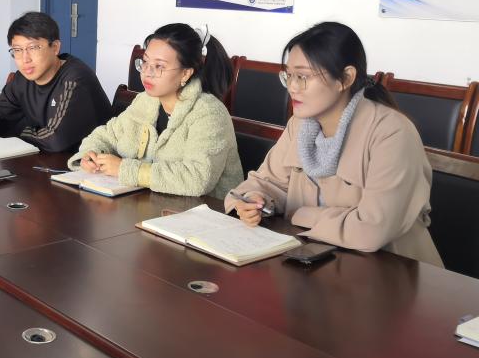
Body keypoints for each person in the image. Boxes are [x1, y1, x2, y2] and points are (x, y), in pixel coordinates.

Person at [225, 21, 442, 265]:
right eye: (289, 76)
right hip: (320, 261)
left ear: (345, 78)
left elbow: (371, 230)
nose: (292, 87)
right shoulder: (300, 125)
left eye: (303, 77)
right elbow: (265, 182)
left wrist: (299, 214)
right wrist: (255, 200)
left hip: (392, 270)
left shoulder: (392, 133)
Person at [68, 23, 243, 197]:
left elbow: (197, 179)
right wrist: (90, 155)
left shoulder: (209, 113)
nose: (147, 72)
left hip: (204, 211)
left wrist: (125, 169)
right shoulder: (145, 100)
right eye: (145, 62)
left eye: (159, 66)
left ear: (186, 73)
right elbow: (106, 135)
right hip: (150, 205)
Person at [0, 11, 112, 153]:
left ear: (55, 48)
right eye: (17, 50)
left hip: (86, 164)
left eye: (33, 48)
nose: (25, 59)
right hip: (44, 161)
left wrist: (16, 130)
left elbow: (56, 139)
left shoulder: (75, 79)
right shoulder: (23, 78)